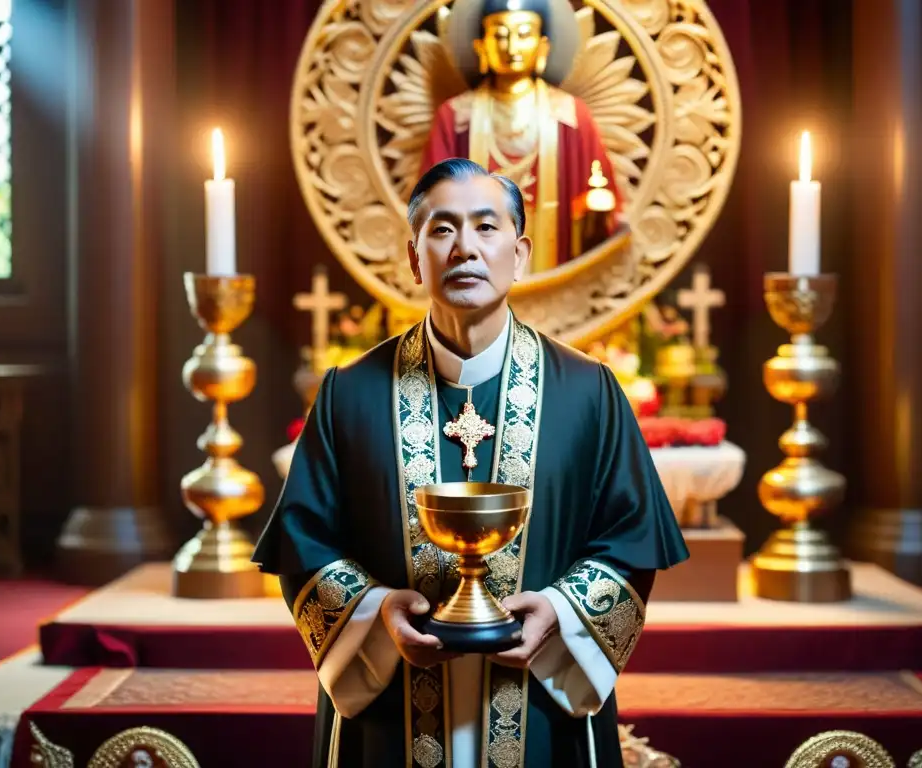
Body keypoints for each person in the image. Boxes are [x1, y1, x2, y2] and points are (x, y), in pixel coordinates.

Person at [252, 158, 688, 768]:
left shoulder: (589, 392)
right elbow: (304, 543)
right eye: (442, 229)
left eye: (486, 227)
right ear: (414, 257)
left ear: (521, 251)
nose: (465, 249)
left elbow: (632, 538)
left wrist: (558, 613)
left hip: (538, 705)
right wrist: (380, 614)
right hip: (390, 716)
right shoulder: (348, 394)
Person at [422, 0, 623, 273]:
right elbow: (430, 201)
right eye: (501, 35)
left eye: (524, 33)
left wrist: (595, 212)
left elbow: (602, 197)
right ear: (482, 46)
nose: (511, 46)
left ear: (543, 46)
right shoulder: (456, 117)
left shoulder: (571, 116)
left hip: (557, 258)